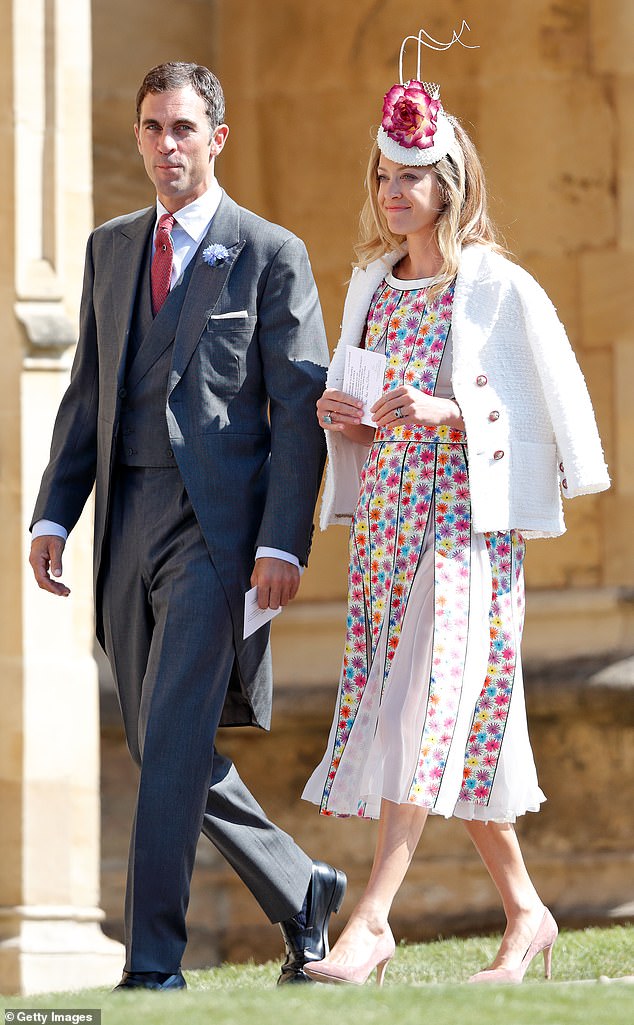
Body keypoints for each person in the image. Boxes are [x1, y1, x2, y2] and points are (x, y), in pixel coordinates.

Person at [29, 60, 346, 991]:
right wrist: (56, 509)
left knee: (168, 739)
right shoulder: (110, 249)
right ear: (138, 137)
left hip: (218, 537)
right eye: (152, 128)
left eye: (184, 129)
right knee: (163, 742)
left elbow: (299, 409)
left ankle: (153, 966)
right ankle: (304, 890)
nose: (168, 145)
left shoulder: (269, 252)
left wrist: (283, 541)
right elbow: (89, 395)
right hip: (127, 521)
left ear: (218, 139)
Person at [301, 37, 610, 987]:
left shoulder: (498, 287)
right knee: (454, 728)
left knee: (426, 711)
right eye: (384, 177)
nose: (395, 192)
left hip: (466, 535)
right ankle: (528, 915)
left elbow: (542, 410)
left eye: (412, 177)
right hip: (387, 531)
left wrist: (450, 409)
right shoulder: (367, 287)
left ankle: (372, 921)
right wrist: (339, 411)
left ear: (448, 182)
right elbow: (361, 404)